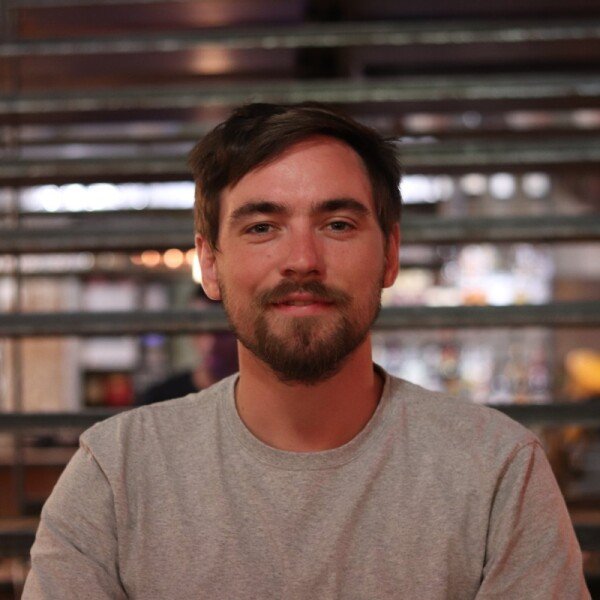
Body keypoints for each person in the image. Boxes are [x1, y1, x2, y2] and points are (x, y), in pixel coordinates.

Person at [23, 103, 590, 599]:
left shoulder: (495, 471)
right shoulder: (116, 475)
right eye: (262, 227)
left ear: (390, 254)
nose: (301, 260)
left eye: (337, 224)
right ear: (210, 264)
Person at [136, 287, 238, 406]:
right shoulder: (159, 398)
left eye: (221, 331)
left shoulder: (162, 397)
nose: (211, 341)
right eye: (200, 329)